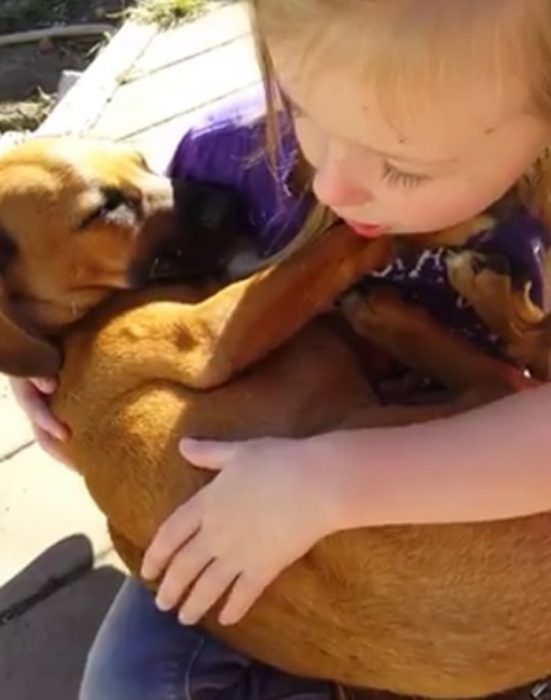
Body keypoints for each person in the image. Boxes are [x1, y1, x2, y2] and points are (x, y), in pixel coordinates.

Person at [10, 1, 551, 697]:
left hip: (470, 490)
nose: (331, 185)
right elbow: (157, 331)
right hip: (249, 521)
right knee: (125, 681)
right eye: (301, 110)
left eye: (402, 167)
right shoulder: (228, 159)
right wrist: (40, 354)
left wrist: (328, 484)